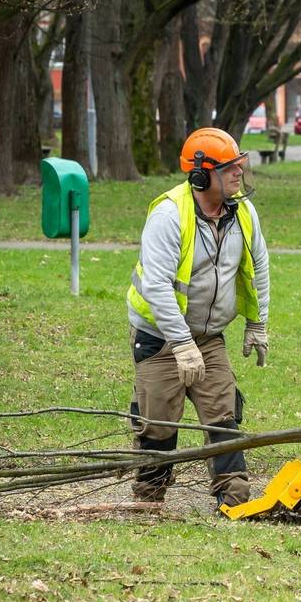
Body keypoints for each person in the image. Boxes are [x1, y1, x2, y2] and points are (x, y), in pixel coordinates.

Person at [125, 127, 270, 510]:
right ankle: (149, 499)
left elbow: (259, 267)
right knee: (159, 422)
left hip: (208, 337)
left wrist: (258, 323)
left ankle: (233, 498)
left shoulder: (243, 213)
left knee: (223, 415)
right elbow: (156, 285)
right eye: (231, 167)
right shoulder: (169, 216)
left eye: (241, 165)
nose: (239, 173)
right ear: (202, 175)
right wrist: (181, 343)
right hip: (159, 338)